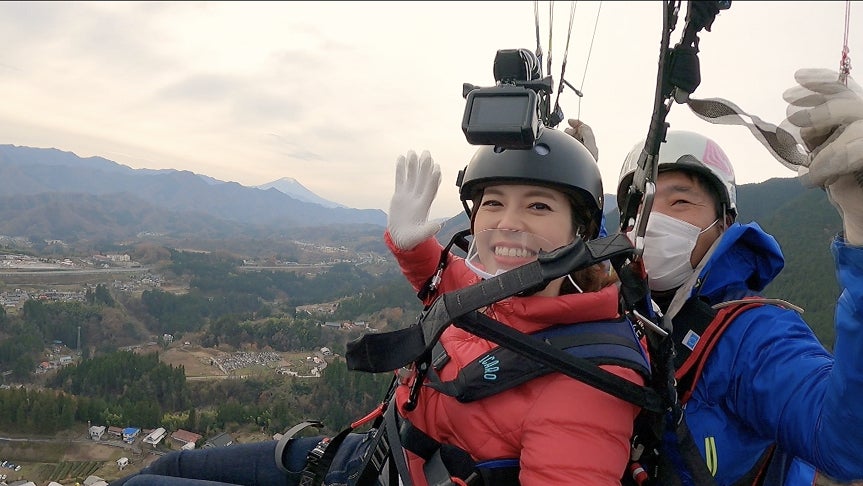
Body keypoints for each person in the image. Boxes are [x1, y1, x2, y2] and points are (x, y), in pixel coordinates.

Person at [109, 127, 648, 486]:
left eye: (538, 206)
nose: (508, 223)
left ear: (580, 232)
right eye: (493, 203)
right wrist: (414, 246)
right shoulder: (506, 299)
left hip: (387, 471)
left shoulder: (588, 382)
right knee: (168, 467)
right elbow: (452, 286)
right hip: (371, 457)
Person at [571, 68, 863, 486]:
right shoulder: (626, 302)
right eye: (642, 204)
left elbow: (846, 442)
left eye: (681, 202)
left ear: (724, 224)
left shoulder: (753, 335)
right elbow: (604, 259)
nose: (654, 220)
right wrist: (582, 193)